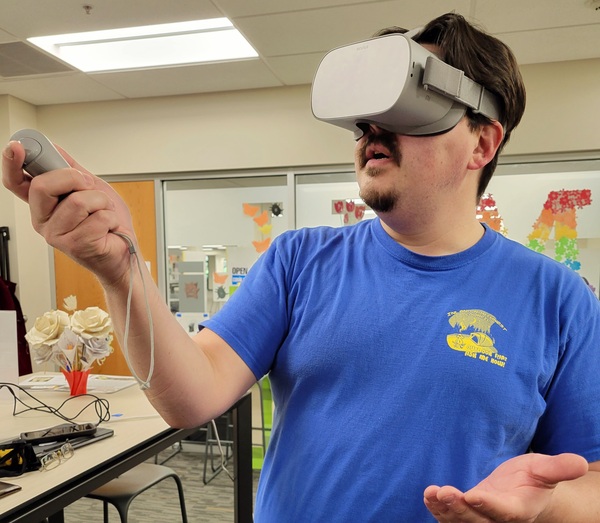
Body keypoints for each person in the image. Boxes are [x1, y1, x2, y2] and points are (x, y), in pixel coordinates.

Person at [3, 12, 600, 522]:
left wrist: (545, 507)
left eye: (408, 105)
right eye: (367, 115)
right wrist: (119, 270)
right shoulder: (299, 261)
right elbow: (192, 398)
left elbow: (592, 480)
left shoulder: (560, 299)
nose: (372, 130)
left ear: (482, 143)